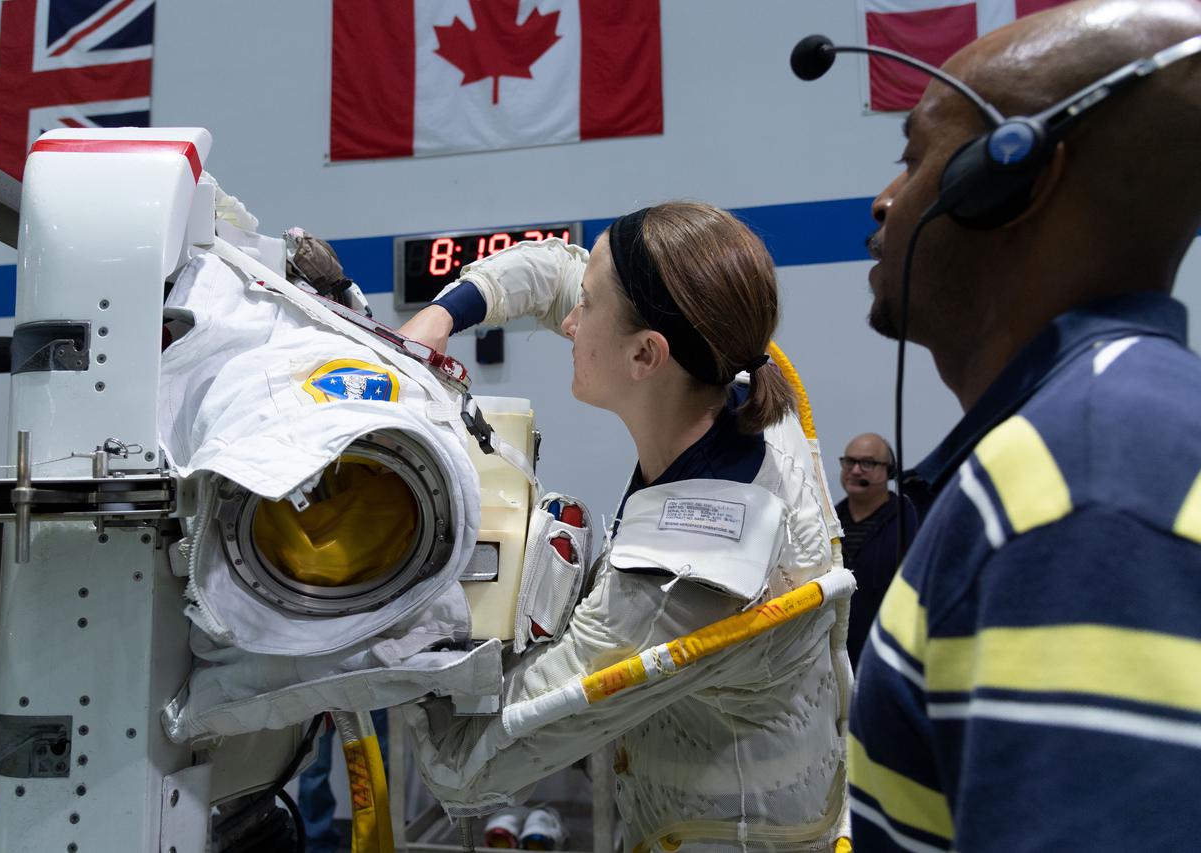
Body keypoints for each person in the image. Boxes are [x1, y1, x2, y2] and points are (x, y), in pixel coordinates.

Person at [847, 1, 1201, 850]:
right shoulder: (1088, 438)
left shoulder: (1085, 483)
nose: (884, 198)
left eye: (914, 157)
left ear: (1007, 178)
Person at [397, 202, 850, 852]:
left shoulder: (685, 577)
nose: (570, 321)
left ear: (645, 353)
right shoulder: (739, 369)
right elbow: (557, 272)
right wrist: (442, 316)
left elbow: (469, 766)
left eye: (586, 307)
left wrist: (385, 621)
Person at [834, 433, 917, 667]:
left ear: (889, 472)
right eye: (849, 462)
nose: (856, 470)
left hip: (890, 657)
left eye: (867, 463)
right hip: (835, 661)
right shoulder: (827, 523)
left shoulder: (910, 519)